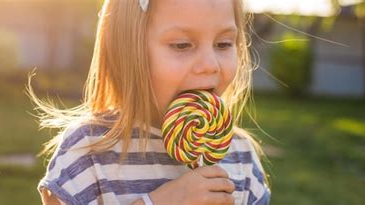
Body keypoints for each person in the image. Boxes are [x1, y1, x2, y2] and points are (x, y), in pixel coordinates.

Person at [28, 0, 271, 204]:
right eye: (182, 45)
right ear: (127, 50)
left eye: (223, 44)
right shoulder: (87, 151)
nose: (210, 64)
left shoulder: (241, 156)